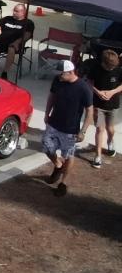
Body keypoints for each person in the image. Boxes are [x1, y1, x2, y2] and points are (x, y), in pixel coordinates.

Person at [41, 60, 94, 197]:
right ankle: (58, 165)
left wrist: (83, 131)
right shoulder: (57, 81)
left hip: (70, 130)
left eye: (61, 74)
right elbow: (51, 97)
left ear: (70, 72)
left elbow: (90, 111)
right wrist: (47, 113)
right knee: (46, 146)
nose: (59, 76)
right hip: (54, 123)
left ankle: (63, 183)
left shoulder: (83, 88)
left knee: (69, 156)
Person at [82, 49, 120, 167]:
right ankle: (97, 156)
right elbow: (88, 82)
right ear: (103, 63)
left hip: (113, 105)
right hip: (98, 105)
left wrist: (112, 92)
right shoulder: (95, 69)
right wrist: (98, 92)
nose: (111, 69)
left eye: (113, 67)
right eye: (109, 67)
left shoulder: (118, 70)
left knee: (110, 129)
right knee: (99, 129)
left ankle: (110, 141)